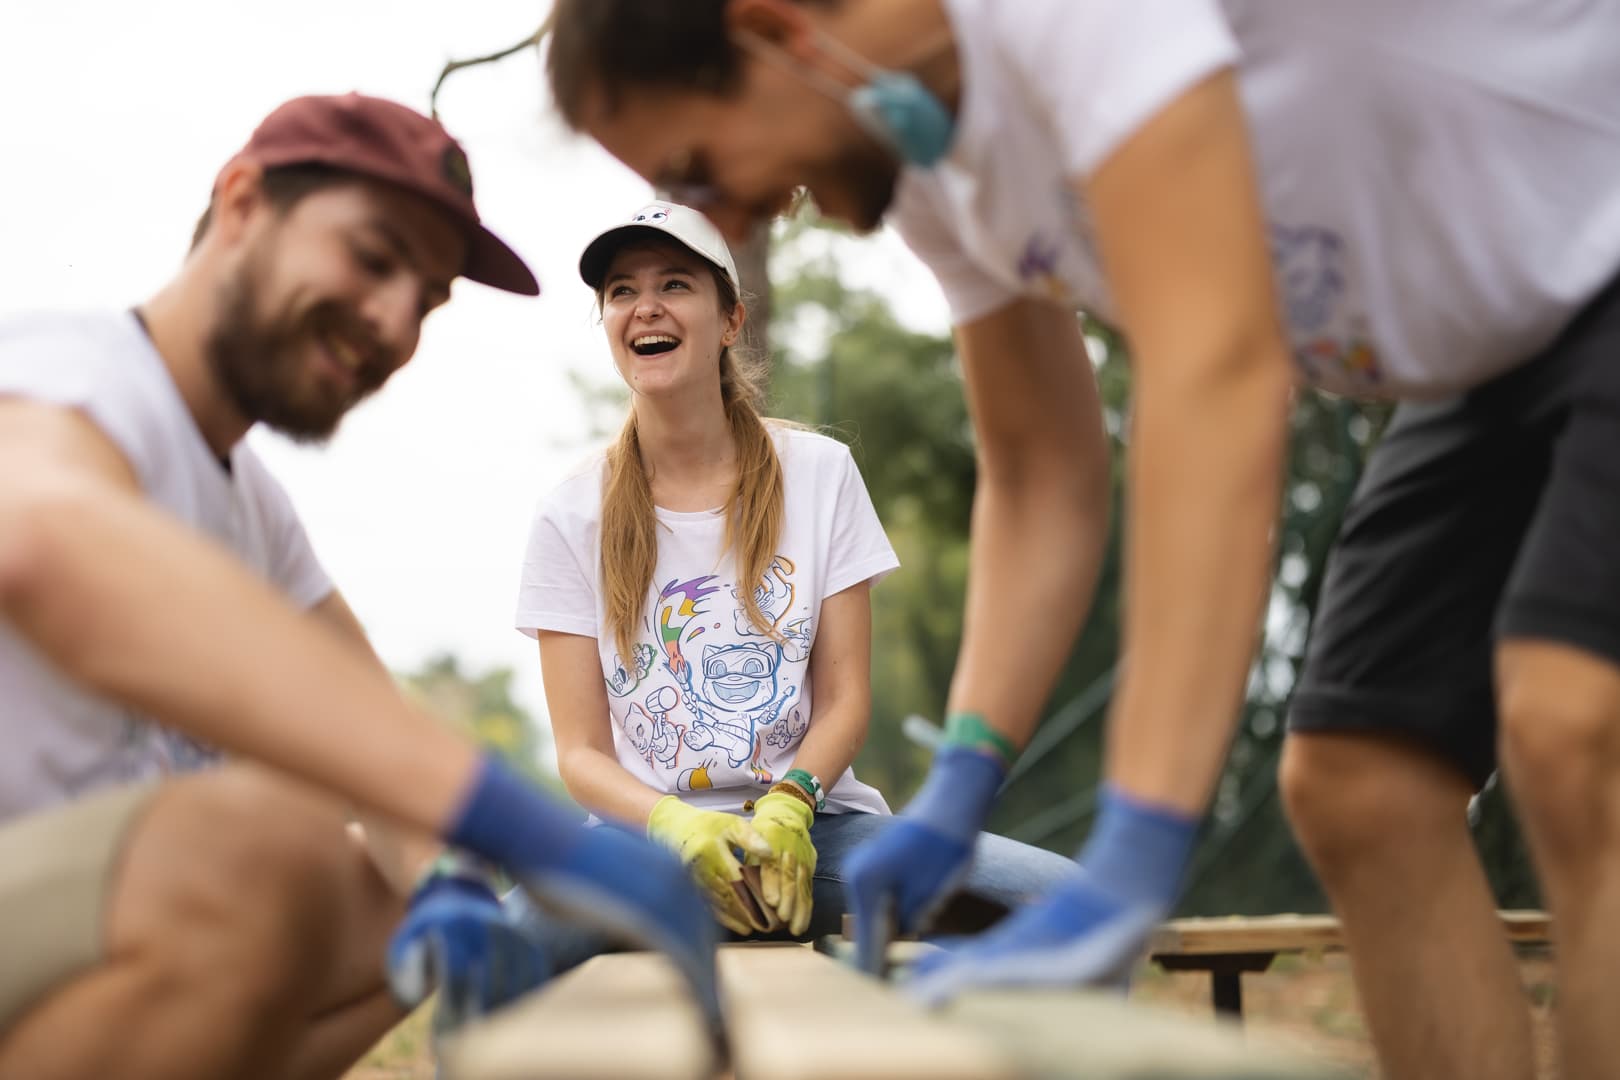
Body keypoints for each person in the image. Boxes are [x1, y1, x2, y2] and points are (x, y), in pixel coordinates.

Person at [543, 2, 1620, 1077]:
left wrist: (1139, 838)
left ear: (775, 30)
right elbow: (1041, 471)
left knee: (1572, 728)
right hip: (1491, 354)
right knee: (1363, 786)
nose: (736, 213)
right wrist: (963, 778)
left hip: (1597, 258)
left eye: (699, 168)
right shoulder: (930, 161)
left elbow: (1219, 369)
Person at [0, 92, 720, 1080]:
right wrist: (517, 819)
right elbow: (41, 540)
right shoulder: (67, 376)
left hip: (54, 919)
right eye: (372, 258)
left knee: (398, 893)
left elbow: (373, 742)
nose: (391, 321)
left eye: (424, 299)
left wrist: (454, 876)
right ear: (244, 202)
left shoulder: (249, 501)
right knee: (268, 849)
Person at [508, 199, 1072, 965]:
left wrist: (789, 803)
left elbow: (845, 700)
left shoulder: (819, 475)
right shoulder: (570, 515)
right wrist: (677, 824)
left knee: (1064, 904)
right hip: (640, 842)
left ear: (731, 320)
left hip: (816, 828)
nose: (645, 307)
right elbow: (580, 754)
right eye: (620, 291)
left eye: (675, 284)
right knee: (491, 957)